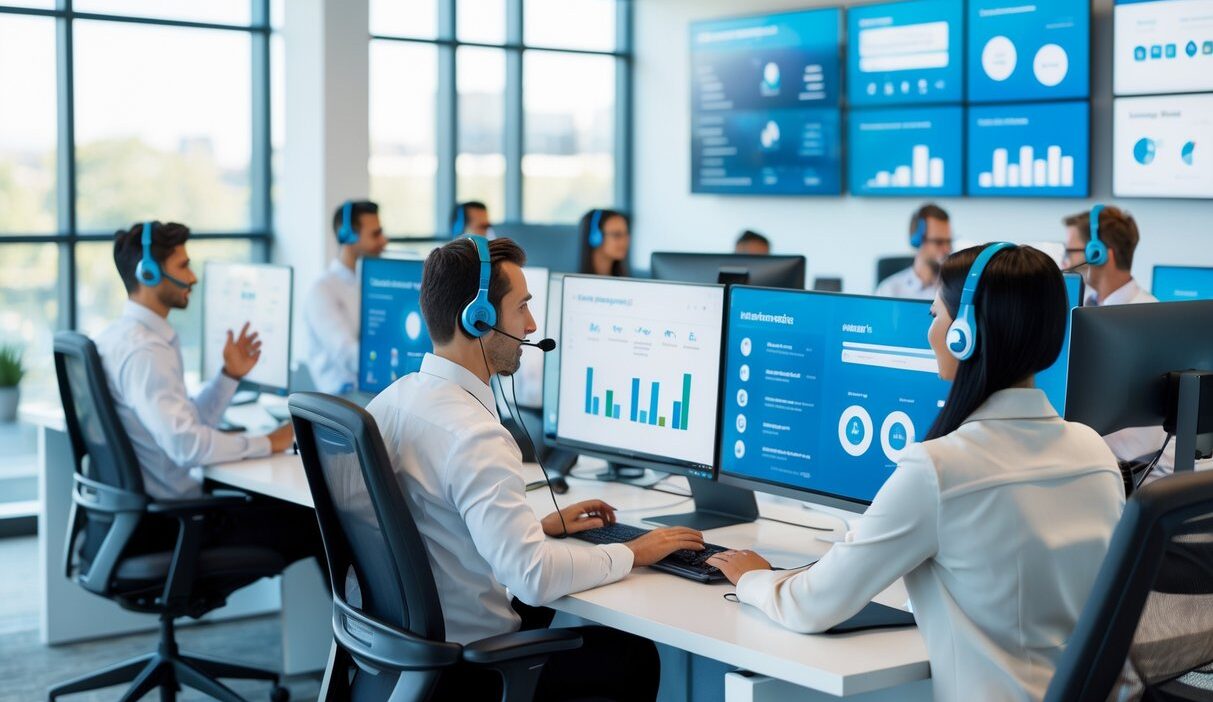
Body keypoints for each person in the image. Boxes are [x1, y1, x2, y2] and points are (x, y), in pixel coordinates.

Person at [708, 244, 1124, 702]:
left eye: (934, 315)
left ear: (965, 334)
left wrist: (753, 579)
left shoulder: (939, 469)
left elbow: (811, 605)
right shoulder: (1096, 454)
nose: (929, 332)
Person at [366, 235, 704, 700]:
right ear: (479, 319)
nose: (531, 325)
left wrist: (534, 527)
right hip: (468, 668)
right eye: (521, 307)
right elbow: (534, 577)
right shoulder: (475, 435)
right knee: (634, 656)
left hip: (400, 657)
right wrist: (635, 552)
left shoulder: (392, 401)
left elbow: (425, 522)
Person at [94, 221, 321, 564]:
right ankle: (354, 620)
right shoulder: (146, 353)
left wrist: (229, 376)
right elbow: (187, 445)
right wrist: (269, 443)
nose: (193, 278)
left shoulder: (119, 338)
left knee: (286, 508)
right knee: (320, 523)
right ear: (149, 273)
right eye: (183, 266)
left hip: (154, 517)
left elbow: (185, 425)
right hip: (172, 525)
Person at [1061, 205, 1203, 485]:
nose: (1065, 261)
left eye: (1071, 251)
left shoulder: (1149, 321)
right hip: (1089, 467)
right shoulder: (1081, 312)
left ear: (1099, 253)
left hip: (1130, 477)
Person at [304, 200, 387, 394]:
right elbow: (347, 354)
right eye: (375, 234)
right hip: (343, 400)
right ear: (347, 236)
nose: (384, 241)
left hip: (374, 390)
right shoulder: (322, 290)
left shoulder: (370, 282)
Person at [875, 203, 954, 300]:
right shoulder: (889, 291)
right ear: (917, 241)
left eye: (949, 241)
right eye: (939, 242)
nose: (947, 249)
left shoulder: (956, 289)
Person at [578, 208, 631, 277]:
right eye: (617, 234)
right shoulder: (576, 284)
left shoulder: (625, 281)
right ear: (596, 237)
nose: (625, 240)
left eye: (626, 234)